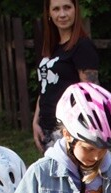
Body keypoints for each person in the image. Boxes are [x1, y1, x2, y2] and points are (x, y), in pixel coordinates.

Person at [33, 0, 100, 153]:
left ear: (75, 10)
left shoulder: (82, 46)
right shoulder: (52, 48)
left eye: (67, 8)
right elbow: (45, 86)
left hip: (70, 131)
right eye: (56, 9)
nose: (62, 14)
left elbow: (91, 94)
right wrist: (36, 121)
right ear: (49, 13)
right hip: (47, 129)